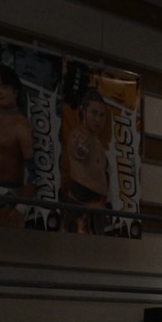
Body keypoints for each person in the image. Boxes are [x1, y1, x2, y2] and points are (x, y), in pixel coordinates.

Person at [0, 65, 35, 227]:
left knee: (5, 239)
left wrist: (20, 209)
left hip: (8, 192)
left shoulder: (21, 126)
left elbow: (33, 174)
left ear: (15, 91)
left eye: (3, 87)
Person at [63, 89, 111, 234]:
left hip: (97, 205)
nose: (98, 120)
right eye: (94, 113)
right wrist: (80, 150)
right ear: (83, 112)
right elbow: (78, 152)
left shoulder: (97, 141)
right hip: (80, 202)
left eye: (102, 115)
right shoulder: (78, 135)